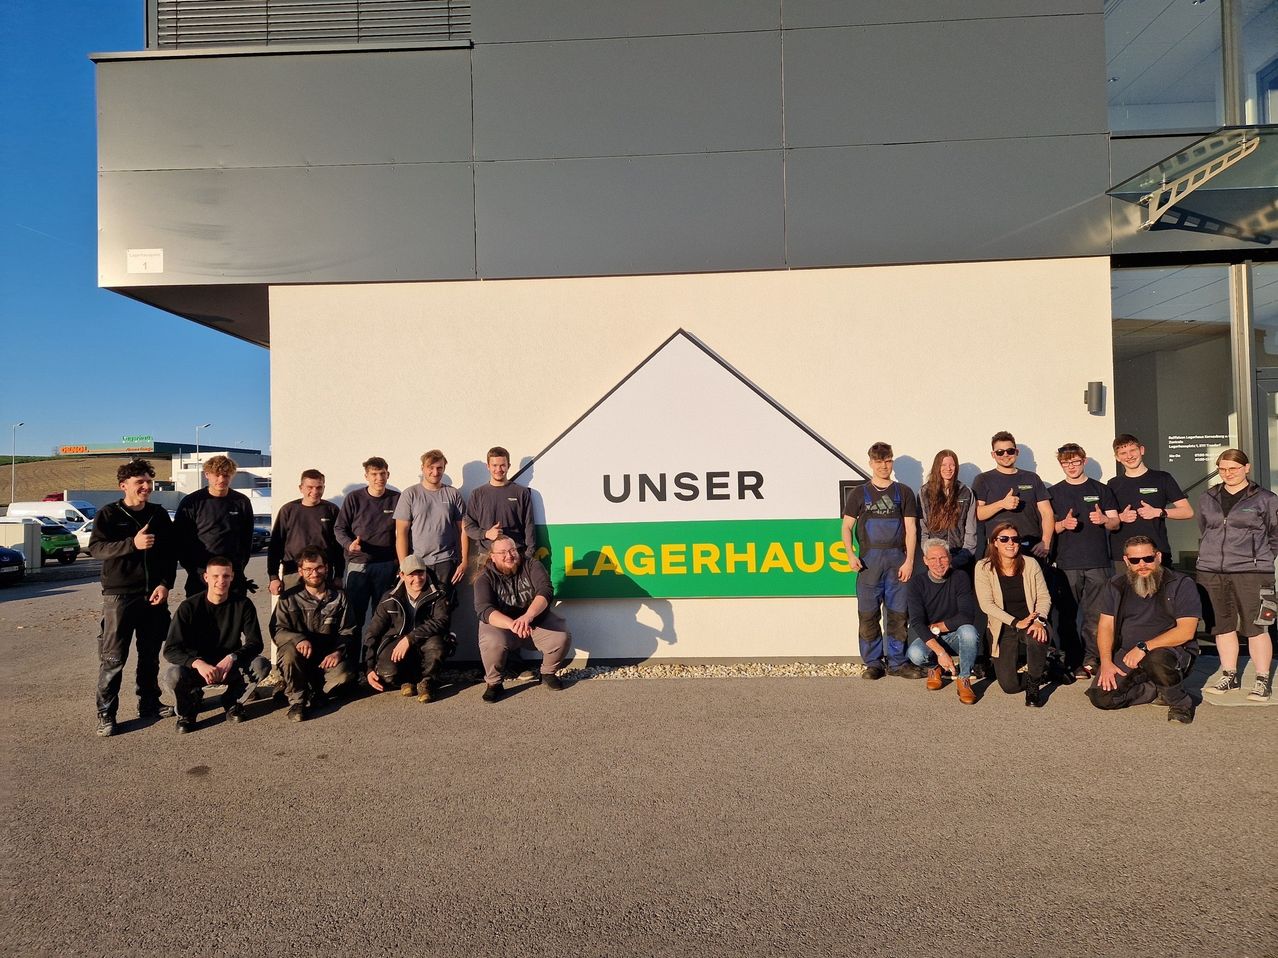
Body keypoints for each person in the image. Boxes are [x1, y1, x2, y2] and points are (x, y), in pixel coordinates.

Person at [87, 459, 178, 737]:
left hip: (153, 595)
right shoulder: (109, 514)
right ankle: (106, 713)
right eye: (140, 482)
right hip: (120, 596)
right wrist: (132, 544)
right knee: (113, 658)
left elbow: (169, 554)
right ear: (123, 486)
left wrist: (165, 585)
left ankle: (149, 702)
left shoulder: (158, 515)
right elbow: (96, 548)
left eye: (149, 481)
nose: (146, 487)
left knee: (150, 654)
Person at [1086, 536, 1202, 724]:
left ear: (1158, 557)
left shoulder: (1181, 583)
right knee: (1102, 697)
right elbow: (1106, 626)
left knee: (1156, 659)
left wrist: (1144, 647)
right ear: (1126, 561)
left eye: (1148, 559)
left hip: (1170, 652)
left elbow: (1186, 631)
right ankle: (1156, 689)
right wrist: (1106, 662)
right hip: (1128, 653)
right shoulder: (1116, 584)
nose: (1142, 565)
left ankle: (1180, 702)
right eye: (1135, 560)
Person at [1197, 449, 1278, 701]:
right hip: (1212, 571)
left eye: (1233, 468)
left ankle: (1262, 680)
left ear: (1246, 468)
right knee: (1222, 625)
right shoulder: (1208, 497)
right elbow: (1205, 529)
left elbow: (1275, 535)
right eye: (1222, 469)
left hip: (1252, 572)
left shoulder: (1266, 499)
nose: (1227, 473)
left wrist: (1259, 558)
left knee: (1257, 627)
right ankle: (1229, 676)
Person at [840, 442, 922, 680]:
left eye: (887, 461)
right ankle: (873, 663)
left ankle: (897, 662)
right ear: (871, 463)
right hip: (869, 564)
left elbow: (911, 529)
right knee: (868, 615)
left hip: (897, 562)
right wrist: (850, 554)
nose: (884, 466)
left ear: (891, 462)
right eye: (879, 462)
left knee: (898, 614)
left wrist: (909, 561)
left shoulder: (903, 492)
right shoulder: (859, 493)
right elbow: (846, 527)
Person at [161, 556, 271, 733]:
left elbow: (255, 643)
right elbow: (170, 649)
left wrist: (232, 657)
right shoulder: (189, 607)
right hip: (198, 669)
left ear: (232, 577)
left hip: (228, 667)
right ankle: (188, 710)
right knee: (173, 675)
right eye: (215, 576)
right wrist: (197, 663)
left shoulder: (243, 604)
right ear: (206, 577)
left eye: (226, 576)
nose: (221, 581)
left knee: (261, 665)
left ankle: (232, 701)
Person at [1048, 443, 1119, 680]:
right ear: (1061, 465)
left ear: (1084, 461)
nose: (1071, 467)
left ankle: (1092, 660)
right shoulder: (1054, 492)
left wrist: (1104, 520)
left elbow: (1115, 522)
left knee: (1095, 616)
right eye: (1066, 463)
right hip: (1066, 563)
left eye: (1075, 461)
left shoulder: (1102, 489)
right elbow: (1046, 527)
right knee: (1066, 615)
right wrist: (1062, 525)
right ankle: (1072, 660)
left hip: (1098, 562)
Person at [474, 535, 571, 702]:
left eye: (512, 550)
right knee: (490, 641)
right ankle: (494, 683)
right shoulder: (484, 577)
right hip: (502, 626)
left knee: (561, 637)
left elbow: (545, 590)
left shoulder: (532, 565)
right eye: (502, 552)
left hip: (533, 621)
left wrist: (528, 616)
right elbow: (484, 609)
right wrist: (513, 624)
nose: (509, 555)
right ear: (493, 556)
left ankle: (547, 673)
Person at [272, 546, 357, 721]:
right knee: (288, 654)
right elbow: (277, 629)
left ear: (326, 568)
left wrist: (338, 652)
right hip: (299, 657)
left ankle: (317, 691)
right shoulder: (288, 598)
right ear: (300, 571)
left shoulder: (339, 597)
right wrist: (298, 639)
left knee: (345, 675)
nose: (314, 573)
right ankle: (298, 702)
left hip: (326, 659)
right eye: (308, 569)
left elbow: (348, 630)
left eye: (318, 568)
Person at [974, 520, 1053, 707]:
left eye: (1015, 539)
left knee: (1037, 636)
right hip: (1004, 626)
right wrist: (1016, 622)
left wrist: (1039, 621)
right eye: (1004, 539)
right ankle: (1046, 669)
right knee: (1009, 686)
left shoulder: (1030, 564)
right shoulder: (983, 567)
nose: (1011, 543)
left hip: (1031, 621)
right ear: (994, 542)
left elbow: (1044, 597)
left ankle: (1033, 687)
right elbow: (986, 604)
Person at [363, 555, 452, 703]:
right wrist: (369, 668)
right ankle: (406, 681)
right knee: (387, 674)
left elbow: (441, 621)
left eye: (421, 573)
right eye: (412, 575)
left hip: (427, 639)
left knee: (436, 646)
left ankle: (427, 681)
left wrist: (410, 638)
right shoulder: (389, 598)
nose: (417, 579)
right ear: (402, 575)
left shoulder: (439, 593)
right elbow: (373, 632)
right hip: (396, 641)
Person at [905, 538, 980, 704]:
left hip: (956, 634)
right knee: (915, 654)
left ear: (950, 558)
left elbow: (967, 615)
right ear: (925, 560)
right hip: (932, 638)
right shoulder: (916, 583)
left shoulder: (960, 577)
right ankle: (935, 668)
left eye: (943, 558)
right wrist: (941, 653)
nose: (938, 563)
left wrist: (939, 627)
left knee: (969, 631)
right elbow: (917, 621)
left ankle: (964, 679)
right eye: (932, 558)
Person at [394, 449, 469, 606]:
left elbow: (463, 530)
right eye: (431, 468)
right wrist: (404, 566)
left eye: (439, 468)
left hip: (446, 562)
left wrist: (464, 561)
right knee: (418, 607)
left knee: (443, 608)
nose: (435, 472)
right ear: (422, 468)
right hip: (417, 562)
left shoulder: (452, 494)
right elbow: (401, 533)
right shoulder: (410, 494)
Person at [172, 454, 254, 597]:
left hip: (232, 575)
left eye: (226, 475)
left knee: (234, 610)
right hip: (200, 576)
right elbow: (179, 540)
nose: (221, 479)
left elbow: (246, 538)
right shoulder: (192, 502)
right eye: (217, 475)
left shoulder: (241, 502)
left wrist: (238, 567)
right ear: (207, 475)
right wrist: (194, 569)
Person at [334, 456, 400, 631]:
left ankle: (377, 650)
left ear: (388, 474)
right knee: (354, 617)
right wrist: (349, 545)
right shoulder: (354, 498)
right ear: (366, 476)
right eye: (374, 474)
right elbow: (339, 528)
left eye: (382, 473)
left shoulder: (397, 498)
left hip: (386, 565)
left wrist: (400, 561)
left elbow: (405, 532)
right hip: (358, 564)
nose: (379, 478)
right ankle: (352, 650)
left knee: (383, 618)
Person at [1107, 433, 1193, 566]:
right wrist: (1120, 517)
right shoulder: (1112, 484)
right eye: (1123, 453)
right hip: (1123, 556)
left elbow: (1187, 512)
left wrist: (1158, 512)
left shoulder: (1162, 478)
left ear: (1142, 450)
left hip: (1157, 552)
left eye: (1132, 450)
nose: (1129, 456)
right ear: (1117, 458)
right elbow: (1105, 520)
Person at [972, 431, 1054, 560]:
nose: (1005, 455)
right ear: (993, 455)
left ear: (1016, 452)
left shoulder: (1032, 478)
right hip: (998, 549)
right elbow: (978, 514)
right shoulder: (983, 479)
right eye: (1000, 452)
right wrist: (1002, 504)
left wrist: (1046, 542)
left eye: (1010, 451)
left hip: (1030, 547)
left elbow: (1047, 513)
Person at [268, 469, 342, 596]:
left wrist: (339, 575)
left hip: (322, 573)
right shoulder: (288, 510)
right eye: (310, 487)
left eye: (319, 487)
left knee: (322, 606)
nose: (315, 491)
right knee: (292, 606)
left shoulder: (331, 510)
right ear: (301, 488)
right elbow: (276, 545)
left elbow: (338, 546)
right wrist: (273, 577)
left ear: (324, 488)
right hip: (293, 572)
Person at [465, 446, 537, 559]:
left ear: (509, 466)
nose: (498, 469)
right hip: (487, 556)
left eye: (502, 465)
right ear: (488, 466)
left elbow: (529, 526)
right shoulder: (477, 494)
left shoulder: (521, 493)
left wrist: (528, 555)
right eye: (494, 465)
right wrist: (486, 534)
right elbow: (469, 526)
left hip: (514, 555)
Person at [918, 449, 977, 571]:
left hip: (961, 558)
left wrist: (963, 557)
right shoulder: (924, 492)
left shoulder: (965, 492)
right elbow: (923, 529)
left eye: (952, 465)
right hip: (936, 561)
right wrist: (931, 557)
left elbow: (971, 530)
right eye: (943, 465)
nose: (948, 468)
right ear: (937, 467)